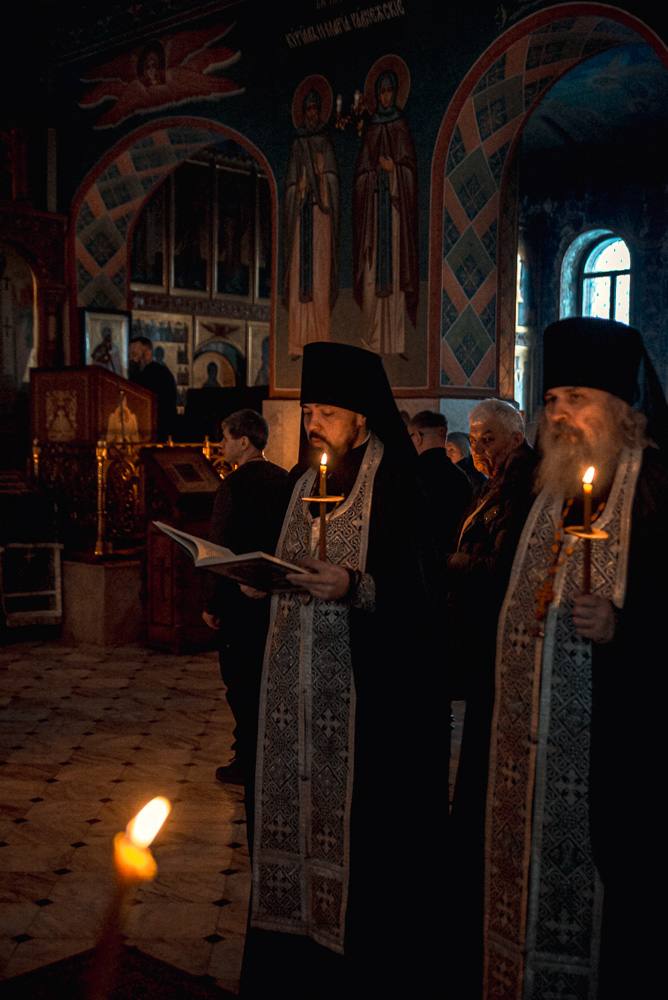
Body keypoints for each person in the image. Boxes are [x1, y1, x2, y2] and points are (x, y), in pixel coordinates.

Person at [240, 341, 440, 997]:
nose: (313, 424)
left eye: (327, 413)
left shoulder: (401, 486)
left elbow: (428, 597)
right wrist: (260, 581)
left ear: (361, 418)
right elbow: (291, 565)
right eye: (309, 412)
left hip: (372, 706)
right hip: (294, 701)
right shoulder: (303, 483)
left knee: (364, 842)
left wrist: (356, 585)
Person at [479, 317, 668, 999]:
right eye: (552, 399)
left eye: (577, 399)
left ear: (623, 410)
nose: (558, 414)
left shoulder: (659, 492)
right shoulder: (538, 490)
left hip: (624, 768)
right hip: (522, 759)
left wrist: (624, 629)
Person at [447, 398, 538, 999]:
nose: (479, 449)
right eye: (475, 439)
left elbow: (504, 565)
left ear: (516, 434)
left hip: (496, 638)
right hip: (479, 636)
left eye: (489, 439)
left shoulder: (523, 483)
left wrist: (453, 562)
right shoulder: (495, 480)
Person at [201, 409, 288, 793]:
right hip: (276, 595)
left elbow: (219, 550)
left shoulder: (232, 486)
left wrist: (211, 603)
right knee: (268, 679)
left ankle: (246, 760)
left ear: (244, 441)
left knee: (239, 682)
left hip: (237, 600)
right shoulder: (285, 480)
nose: (221, 445)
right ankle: (272, 755)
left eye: (225, 437)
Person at [353, 58, 418, 356]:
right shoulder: (370, 130)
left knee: (394, 276)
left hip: (393, 213)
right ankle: (374, 339)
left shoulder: (401, 126)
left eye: (390, 91)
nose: (386, 97)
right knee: (371, 276)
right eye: (382, 92)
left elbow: (409, 170)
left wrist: (394, 172)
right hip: (374, 215)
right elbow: (360, 174)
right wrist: (371, 176)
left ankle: (395, 342)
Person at [284, 79, 340, 357]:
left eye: (316, 109)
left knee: (318, 277)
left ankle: (320, 340)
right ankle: (298, 343)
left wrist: (322, 179)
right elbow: (290, 185)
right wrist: (299, 188)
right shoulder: (297, 145)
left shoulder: (325, 143)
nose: (312, 114)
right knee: (299, 279)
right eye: (308, 109)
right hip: (301, 216)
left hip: (319, 218)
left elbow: (332, 180)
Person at [408, 409, 472, 556]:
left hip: (419, 559)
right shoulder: (461, 477)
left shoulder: (410, 475)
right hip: (452, 560)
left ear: (417, 437)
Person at [129, 335, 178, 440]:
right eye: (130, 355)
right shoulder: (139, 374)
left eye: (135, 355)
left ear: (147, 353)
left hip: (157, 431)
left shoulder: (159, 373)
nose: (132, 359)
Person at [445, 430, 487, 495]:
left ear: (464, 450)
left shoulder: (470, 477)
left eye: (451, 449)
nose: (447, 454)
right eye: (445, 450)